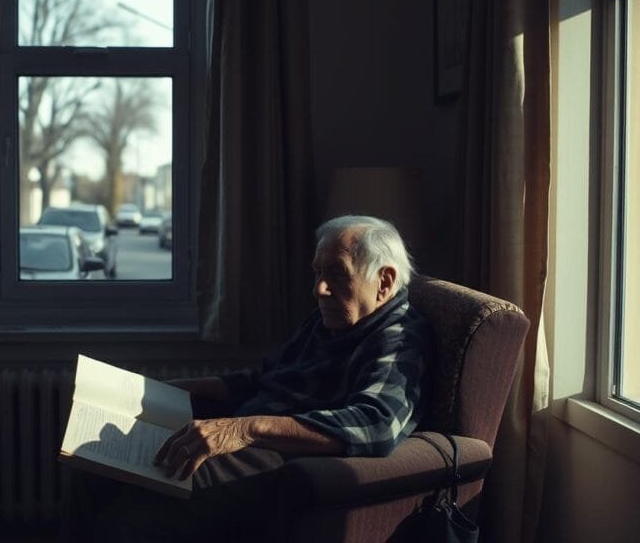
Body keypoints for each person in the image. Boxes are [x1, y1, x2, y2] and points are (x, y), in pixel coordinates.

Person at [69, 215, 432, 543]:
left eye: (337, 273)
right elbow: (267, 378)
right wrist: (179, 389)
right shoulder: (332, 317)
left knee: (132, 517)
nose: (319, 289)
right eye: (317, 273)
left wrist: (244, 429)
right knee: (92, 461)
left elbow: (376, 424)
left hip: (280, 459)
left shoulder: (399, 338)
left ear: (384, 281)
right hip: (245, 434)